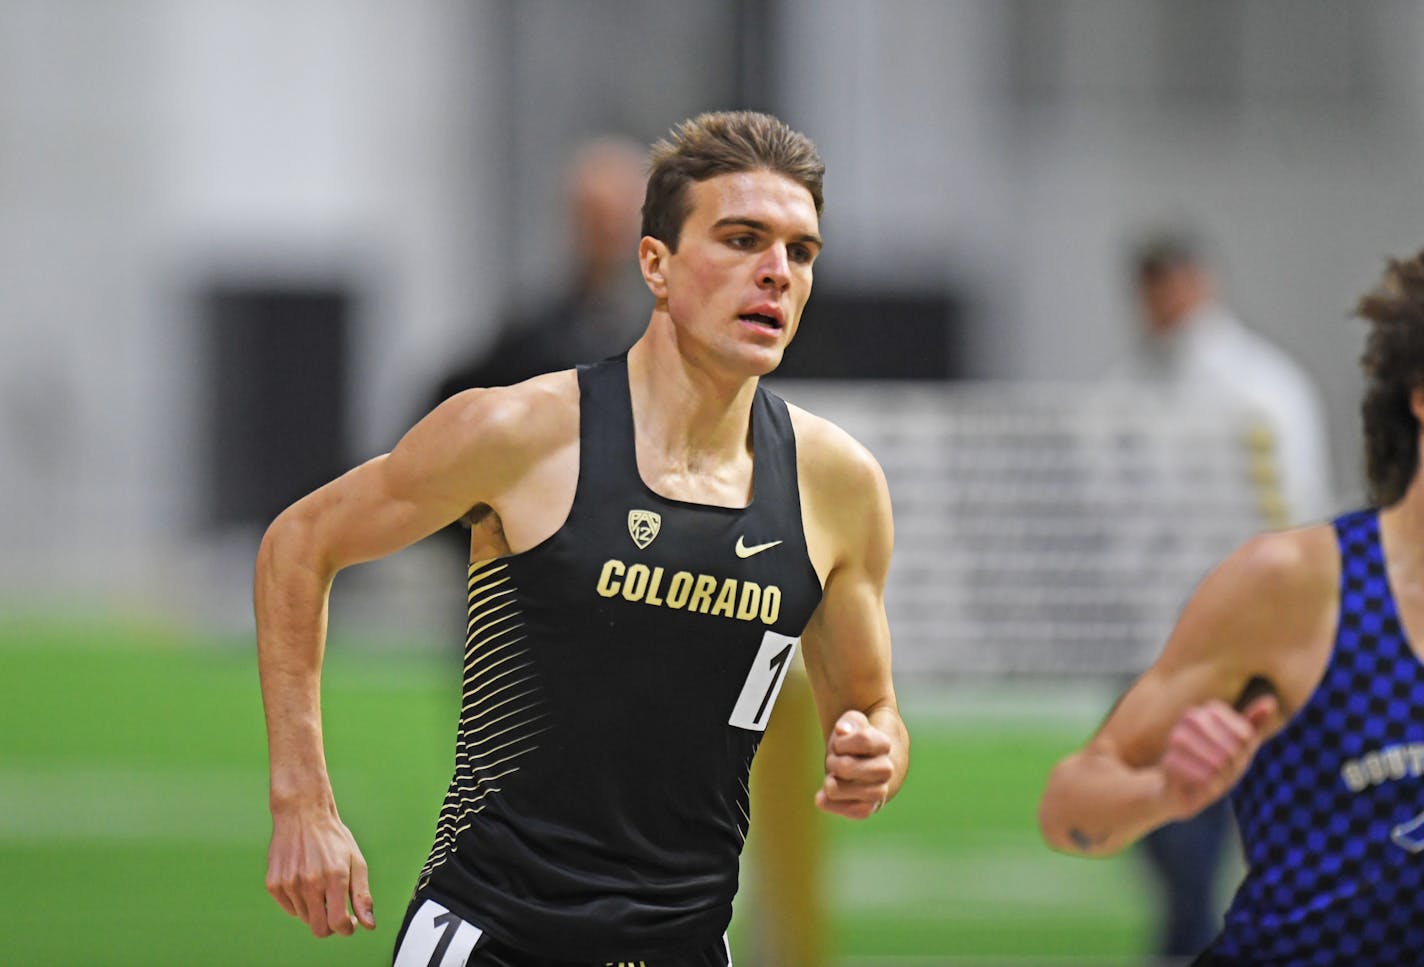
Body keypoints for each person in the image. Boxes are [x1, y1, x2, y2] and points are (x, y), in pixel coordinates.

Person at [255, 110, 909, 967]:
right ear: (656, 264)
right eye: (743, 238)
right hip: (495, 934)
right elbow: (300, 543)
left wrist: (874, 752)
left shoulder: (837, 485)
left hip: (684, 945)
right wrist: (302, 799)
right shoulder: (522, 432)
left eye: (800, 250)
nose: (775, 273)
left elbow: (869, 707)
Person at [1039, 248, 1424, 966]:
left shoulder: (1260, 385)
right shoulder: (1295, 587)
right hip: (1187, 637)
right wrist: (1163, 791)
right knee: (1186, 863)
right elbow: (1071, 809)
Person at [1113, 230, 1335, 960]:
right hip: (1159, 638)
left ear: (1198, 282)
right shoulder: (1136, 386)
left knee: (1199, 825)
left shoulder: (1257, 388)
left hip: (1230, 642)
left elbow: (1295, 513)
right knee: (1164, 821)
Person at [429, 136, 649, 401]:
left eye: (621, 217)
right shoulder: (535, 341)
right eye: (598, 220)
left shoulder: (671, 324)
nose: (613, 232)